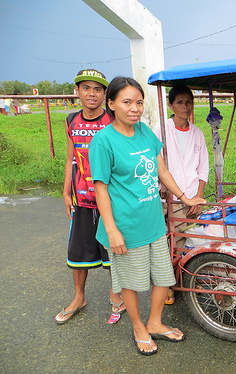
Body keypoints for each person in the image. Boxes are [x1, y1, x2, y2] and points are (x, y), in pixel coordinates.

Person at [89, 76, 205, 356]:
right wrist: (112, 230)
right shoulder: (103, 142)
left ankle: (154, 322)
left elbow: (162, 171)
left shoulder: (144, 133)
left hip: (153, 221)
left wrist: (185, 197)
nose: (135, 108)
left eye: (139, 102)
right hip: (125, 226)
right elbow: (101, 190)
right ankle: (139, 327)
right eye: (127, 102)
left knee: (164, 278)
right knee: (130, 282)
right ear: (112, 104)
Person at [55, 69, 126, 325]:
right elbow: (70, 158)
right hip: (81, 198)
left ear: (106, 95)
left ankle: (116, 295)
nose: (92, 93)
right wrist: (65, 191)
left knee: (113, 251)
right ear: (77, 92)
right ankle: (79, 297)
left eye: (98, 89)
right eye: (86, 88)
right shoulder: (71, 121)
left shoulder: (113, 119)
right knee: (78, 252)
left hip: (109, 198)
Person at [153, 83, 209, 305]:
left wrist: (199, 197)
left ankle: (189, 278)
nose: (185, 107)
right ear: (170, 105)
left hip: (193, 196)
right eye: (180, 102)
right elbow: (158, 165)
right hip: (172, 198)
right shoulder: (161, 130)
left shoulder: (197, 133)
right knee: (172, 243)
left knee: (191, 240)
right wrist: (169, 193)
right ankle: (168, 285)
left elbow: (202, 168)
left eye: (189, 102)